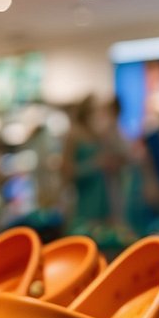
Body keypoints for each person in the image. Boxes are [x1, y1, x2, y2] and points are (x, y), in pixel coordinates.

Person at [62, 95, 111, 226]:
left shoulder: (96, 134)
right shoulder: (74, 134)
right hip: (83, 201)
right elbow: (67, 172)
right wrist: (94, 165)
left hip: (100, 199)